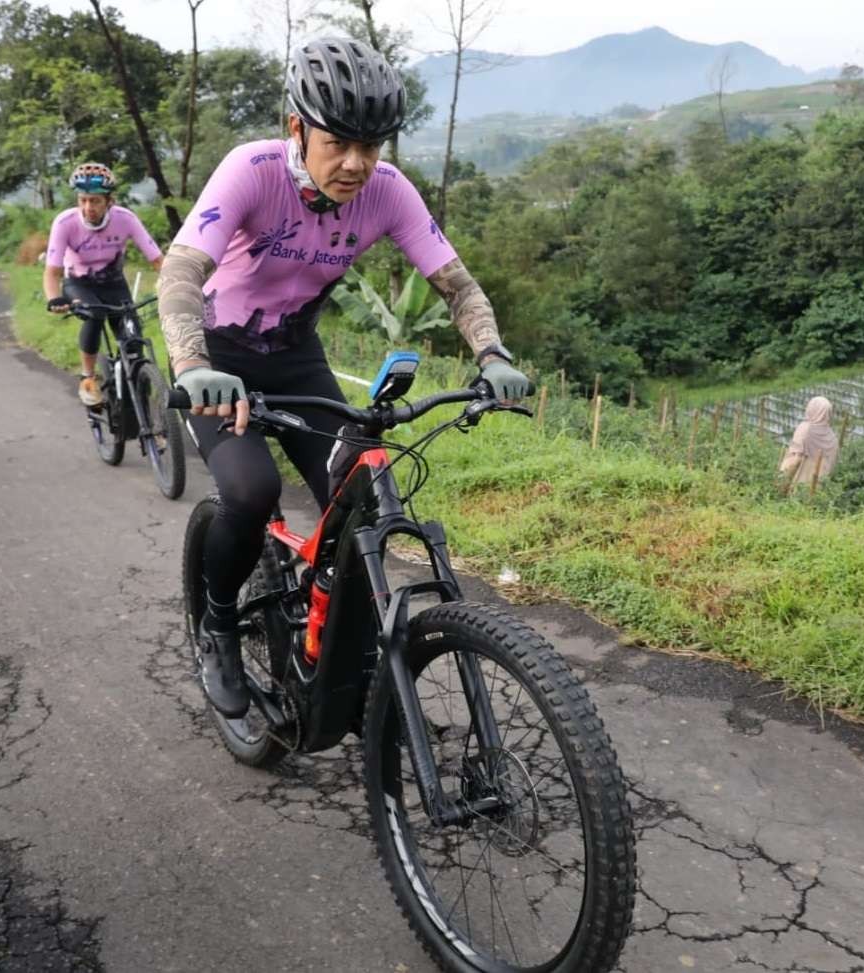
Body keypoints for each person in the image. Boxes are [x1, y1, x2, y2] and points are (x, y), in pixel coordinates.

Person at [157, 36, 531, 718]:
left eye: (372, 145)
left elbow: (457, 286)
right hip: (219, 358)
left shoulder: (385, 192)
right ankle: (217, 626)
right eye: (338, 143)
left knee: (362, 484)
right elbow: (181, 272)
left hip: (296, 355)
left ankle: (328, 621)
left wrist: (493, 355)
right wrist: (193, 365)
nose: (357, 163)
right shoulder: (252, 170)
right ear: (296, 128)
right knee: (250, 488)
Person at [44, 163, 165, 407]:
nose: (88, 208)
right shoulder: (65, 222)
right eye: (83, 200)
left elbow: (157, 260)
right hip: (79, 283)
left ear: (109, 201)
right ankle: (88, 378)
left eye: (95, 201)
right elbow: (52, 272)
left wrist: (173, 284)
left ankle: (149, 419)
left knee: (134, 346)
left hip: (114, 283)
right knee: (95, 314)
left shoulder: (126, 219)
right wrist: (54, 298)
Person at [779, 396, 841, 493]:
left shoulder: (805, 429)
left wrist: (783, 486)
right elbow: (831, 466)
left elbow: (795, 460)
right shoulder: (833, 438)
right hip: (818, 491)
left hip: (797, 488)